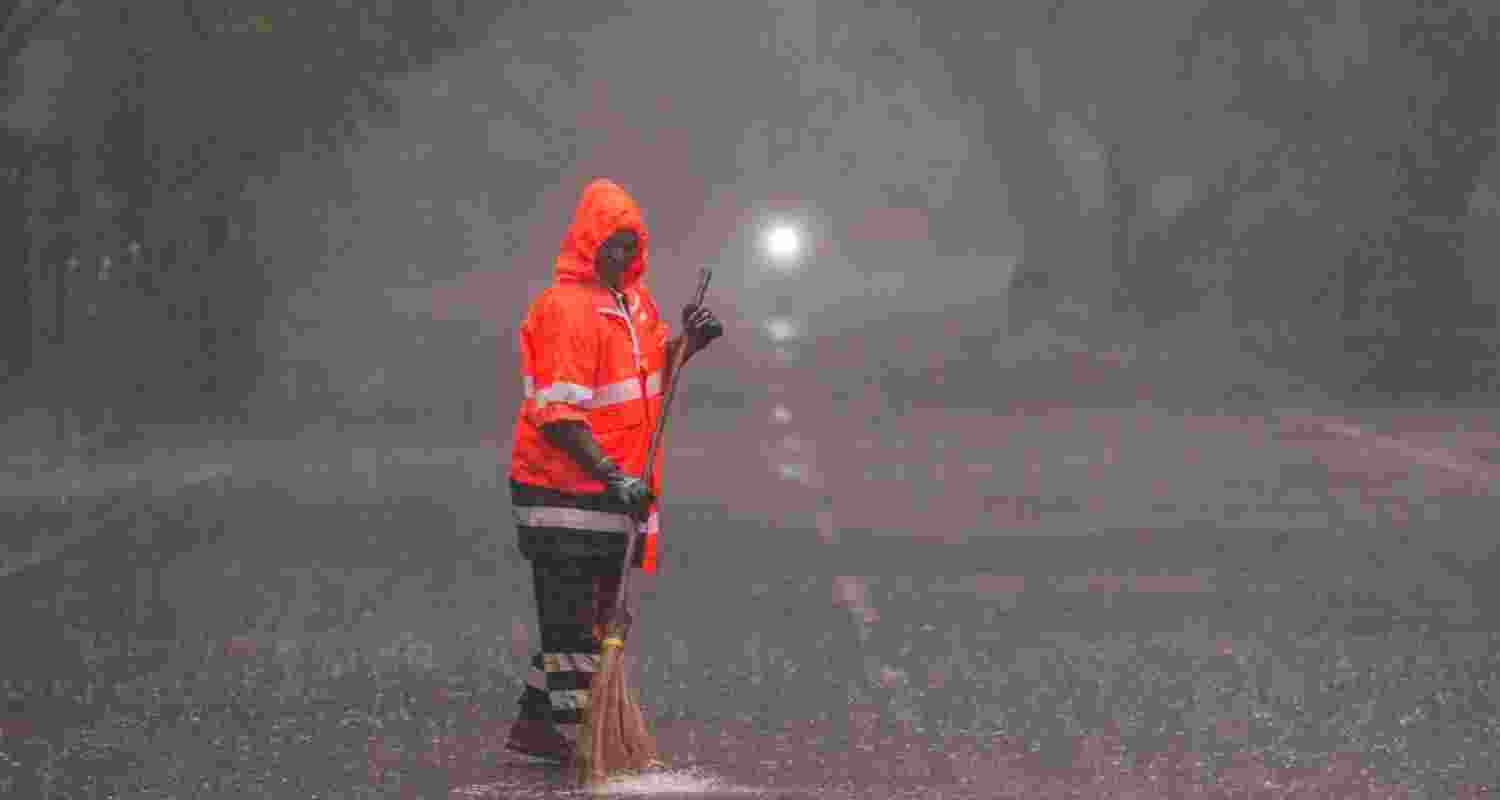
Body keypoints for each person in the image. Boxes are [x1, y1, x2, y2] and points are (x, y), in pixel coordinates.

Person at [503, 178, 724, 764]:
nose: (623, 257)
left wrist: (687, 346)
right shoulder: (565, 310)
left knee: (595, 616)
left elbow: (645, 383)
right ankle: (586, 744)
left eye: (632, 245)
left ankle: (537, 725)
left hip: (611, 492)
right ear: (586, 243)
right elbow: (558, 415)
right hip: (562, 492)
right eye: (613, 245)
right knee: (573, 623)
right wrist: (611, 474)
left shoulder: (633, 305)